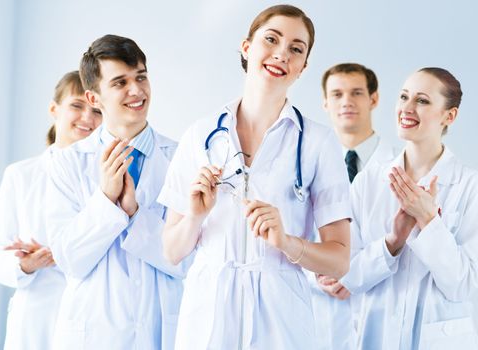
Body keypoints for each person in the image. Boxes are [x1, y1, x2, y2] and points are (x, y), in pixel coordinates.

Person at [158, 5, 351, 349]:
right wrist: (195, 216)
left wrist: (287, 242)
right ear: (246, 48)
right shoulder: (200, 135)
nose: (281, 54)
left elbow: (339, 260)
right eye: (271, 39)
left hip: (281, 320)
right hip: (208, 316)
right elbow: (172, 251)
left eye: (296, 48)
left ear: (303, 67)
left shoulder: (318, 143)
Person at [45, 35, 187, 350]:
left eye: (141, 77)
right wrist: (106, 202)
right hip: (93, 334)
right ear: (94, 98)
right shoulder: (67, 163)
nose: (136, 90)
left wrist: (134, 214)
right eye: (120, 82)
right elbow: (68, 259)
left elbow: (188, 260)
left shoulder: (182, 159)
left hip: (161, 332)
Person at [339, 67, 478, 349]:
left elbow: (462, 284)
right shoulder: (368, 181)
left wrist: (428, 220)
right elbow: (348, 274)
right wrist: (392, 242)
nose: (407, 108)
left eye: (422, 101)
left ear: (450, 116)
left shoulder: (474, 186)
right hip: (377, 336)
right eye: (403, 97)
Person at [0, 71, 102, 350]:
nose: (87, 117)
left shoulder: (108, 178)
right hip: (35, 319)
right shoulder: (20, 175)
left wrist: (66, 253)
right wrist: (26, 265)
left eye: (97, 110)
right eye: (77, 105)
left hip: (92, 315)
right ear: (54, 109)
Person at [312, 63, 396, 349]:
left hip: (382, 309)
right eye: (336, 94)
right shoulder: (308, 167)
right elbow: (291, 237)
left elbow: (404, 242)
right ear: (325, 102)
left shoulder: (401, 169)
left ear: (373, 99)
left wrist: (353, 276)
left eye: (356, 93)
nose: (346, 101)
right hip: (320, 315)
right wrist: (320, 274)